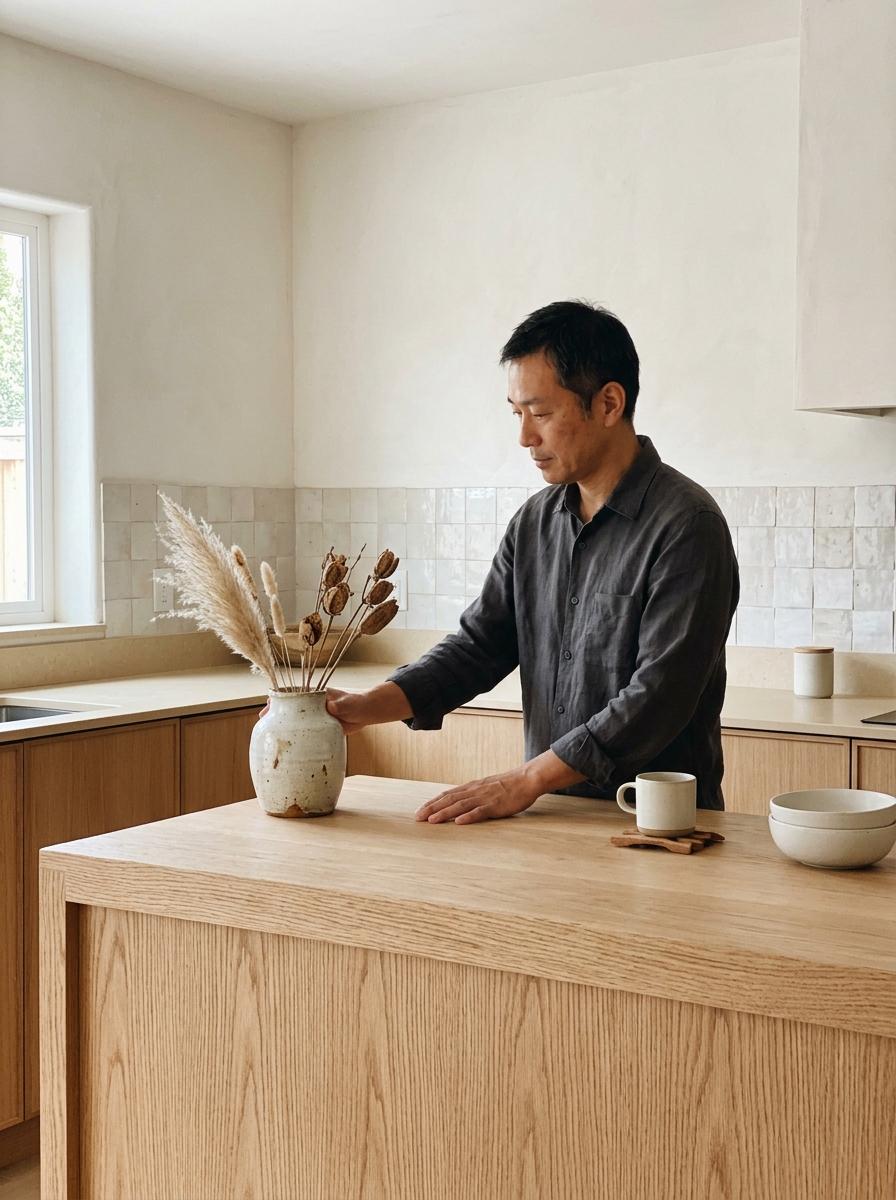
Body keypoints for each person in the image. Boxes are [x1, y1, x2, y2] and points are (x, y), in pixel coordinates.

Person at [326, 300, 739, 824]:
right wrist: (366, 707)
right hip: (553, 820)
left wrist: (527, 779)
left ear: (609, 403)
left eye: (541, 414)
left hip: (659, 827)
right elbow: (481, 645)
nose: (525, 437)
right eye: (516, 414)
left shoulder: (687, 524)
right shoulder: (534, 523)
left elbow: (658, 696)